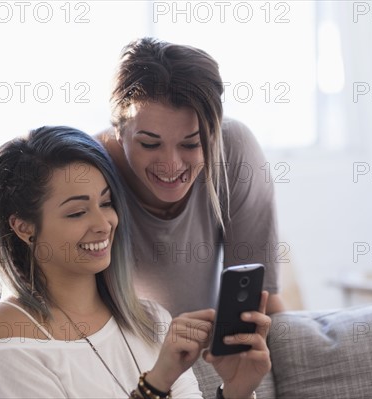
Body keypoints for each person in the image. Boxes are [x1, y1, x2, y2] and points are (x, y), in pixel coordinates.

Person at [0, 126, 272, 398]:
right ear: (23, 227)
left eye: (106, 203)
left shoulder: (152, 320)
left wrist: (236, 392)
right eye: (77, 212)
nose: (104, 223)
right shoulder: (5, 335)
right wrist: (157, 383)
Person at [97, 38, 285, 316]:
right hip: (117, 354)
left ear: (214, 132)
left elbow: (259, 304)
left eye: (191, 144)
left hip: (206, 352)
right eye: (150, 144)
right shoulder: (88, 168)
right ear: (119, 131)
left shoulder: (234, 149)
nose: (171, 165)